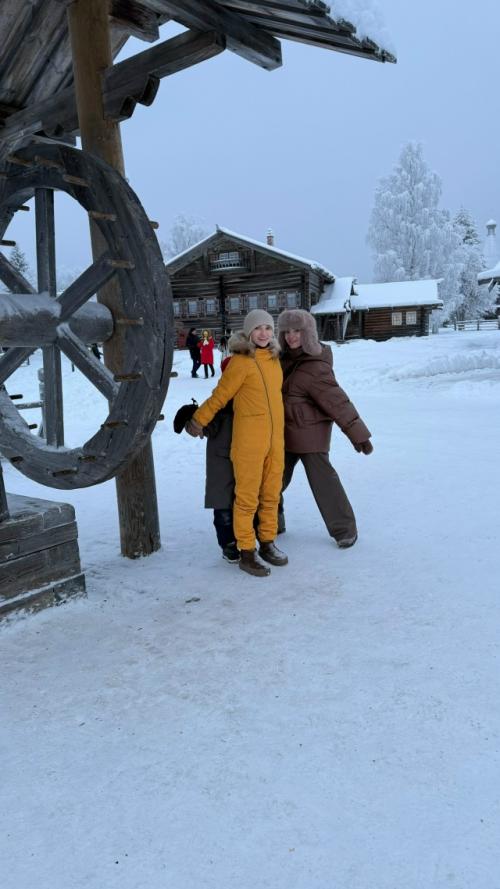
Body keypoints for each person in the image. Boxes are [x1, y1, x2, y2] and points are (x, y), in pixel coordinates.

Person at [185, 309, 287, 577]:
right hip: (248, 443)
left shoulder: (274, 361)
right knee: (247, 499)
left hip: (275, 442)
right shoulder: (240, 363)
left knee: (271, 495)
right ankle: (247, 552)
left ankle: (267, 542)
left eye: (268, 328)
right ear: (248, 332)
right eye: (258, 328)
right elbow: (220, 396)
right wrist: (198, 420)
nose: (263, 333)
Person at [277, 309, 373, 548]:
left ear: (308, 333)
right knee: (272, 482)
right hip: (283, 433)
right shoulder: (281, 360)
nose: (291, 336)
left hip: (310, 434)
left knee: (324, 484)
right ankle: (272, 522)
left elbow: (337, 401)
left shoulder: (315, 365)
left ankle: (345, 530)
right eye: (287, 331)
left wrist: (357, 433)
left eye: (297, 331)